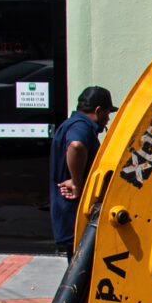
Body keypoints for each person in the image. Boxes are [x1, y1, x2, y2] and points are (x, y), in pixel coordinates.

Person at [51, 85, 114, 254]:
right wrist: (76, 183)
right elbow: (76, 146)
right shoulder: (81, 127)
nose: (107, 119)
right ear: (98, 110)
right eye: (107, 114)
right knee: (82, 274)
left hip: (70, 216)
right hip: (76, 217)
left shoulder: (70, 124)